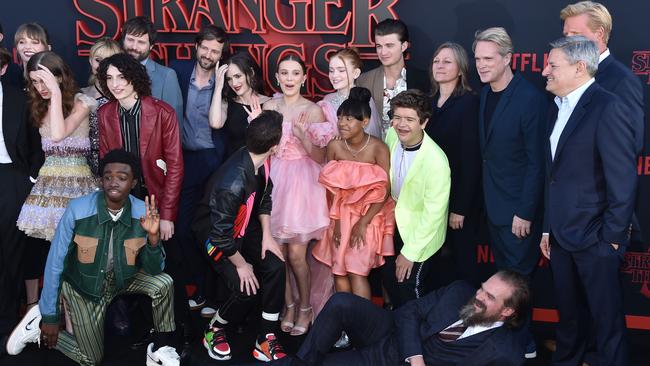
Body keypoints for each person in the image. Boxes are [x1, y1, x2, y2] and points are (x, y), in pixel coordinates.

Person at [6, 149, 180, 366]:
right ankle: (36, 330)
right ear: (101, 180)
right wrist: (50, 316)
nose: (113, 182)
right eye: (108, 177)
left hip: (122, 279)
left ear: (134, 182)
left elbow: (155, 269)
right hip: (83, 287)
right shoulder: (78, 209)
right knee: (91, 359)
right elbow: (54, 263)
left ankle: (160, 349)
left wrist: (154, 239)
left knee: (164, 283)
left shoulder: (142, 213)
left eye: (122, 178)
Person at [539, 36, 637, 366]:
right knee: (568, 323)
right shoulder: (556, 108)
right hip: (562, 238)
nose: (544, 72)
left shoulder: (608, 106)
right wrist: (547, 228)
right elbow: (554, 177)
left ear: (579, 67)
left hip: (596, 239)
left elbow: (622, 182)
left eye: (552, 66)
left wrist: (610, 240)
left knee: (607, 326)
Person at [96, 53, 186, 346]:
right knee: (134, 267)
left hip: (157, 199)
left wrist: (168, 214)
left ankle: (176, 335)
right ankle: (145, 329)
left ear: (135, 77)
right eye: (109, 78)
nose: (115, 84)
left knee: (168, 269)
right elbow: (109, 165)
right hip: (126, 201)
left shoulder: (162, 112)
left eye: (121, 77)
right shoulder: (106, 113)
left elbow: (174, 166)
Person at [273, 270, 528, 366]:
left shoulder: (504, 354)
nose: (479, 296)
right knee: (342, 302)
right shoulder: (460, 290)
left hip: (376, 360)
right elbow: (409, 313)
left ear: (507, 312)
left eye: (489, 297)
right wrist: (414, 357)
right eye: (482, 288)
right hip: (390, 339)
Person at [473, 27, 546, 358]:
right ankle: (509, 343)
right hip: (493, 204)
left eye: (488, 59)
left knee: (517, 284)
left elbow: (536, 163)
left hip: (517, 211)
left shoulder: (530, 99)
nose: (481, 65)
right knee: (503, 282)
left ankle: (523, 345)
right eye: (477, 59)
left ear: (508, 58)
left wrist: (525, 211)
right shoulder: (486, 93)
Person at [200, 110, 287, 362]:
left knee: (276, 266)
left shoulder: (261, 160)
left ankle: (266, 338)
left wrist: (267, 236)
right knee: (245, 288)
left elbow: (264, 198)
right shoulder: (233, 181)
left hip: (243, 228)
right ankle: (213, 328)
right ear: (274, 146)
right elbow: (220, 236)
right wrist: (242, 265)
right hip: (216, 237)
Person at [262, 54, 334, 336]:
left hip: (302, 185)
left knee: (296, 254)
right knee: (277, 254)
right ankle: (288, 304)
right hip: (274, 180)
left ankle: (306, 306)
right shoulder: (268, 106)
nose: (289, 78)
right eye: (284, 73)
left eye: (295, 73)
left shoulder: (314, 110)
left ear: (304, 78)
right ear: (277, 77)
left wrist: (304, 136)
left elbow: (320, 157)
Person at [313, 86, 394, 301]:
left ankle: (363, 329)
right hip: (340, 215)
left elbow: (385, 190)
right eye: (340, 118)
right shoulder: (335, 147)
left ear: (365, 121)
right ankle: (347, 329)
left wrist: (363, 222)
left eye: (349, 119)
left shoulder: (378, 148)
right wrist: (337, 221)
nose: (342, 123)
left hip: (370, 216)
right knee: (339, 270)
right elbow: (331, 190)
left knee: (357, 272)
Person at [175, 24, 229, 313]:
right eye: (205, 48)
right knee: (184, 230)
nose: (209, 54)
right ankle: (198, 283)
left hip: (212, 161)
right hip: (183, 160)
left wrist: (220, 85)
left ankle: (211, 292)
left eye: (215, 51)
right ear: (196, 47)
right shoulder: (177, 72)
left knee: (210, 231)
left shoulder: (224, 80)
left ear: (221, 54)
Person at [381, 89, 450, 309]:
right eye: (397, 117)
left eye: (409, 119)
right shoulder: (392, 136)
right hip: (393, 225)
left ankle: (419, 338)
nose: (401, 124)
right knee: (392, 283)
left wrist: (409, 253)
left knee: (409, 287)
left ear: (424, 122)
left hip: (421, 233)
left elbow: (433, 215)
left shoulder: (436, 161)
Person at [424, 42, 482, 287]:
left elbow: (471, 159)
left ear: (461, 69)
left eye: (447, 61)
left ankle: (463, 318)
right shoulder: (426, 101)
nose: (440, 65)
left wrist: (460, 208)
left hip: (456, 199)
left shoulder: (469, 102)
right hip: (429, 199)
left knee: (460, 264)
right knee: (433, 265)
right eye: (437, 61)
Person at [0, 46, 43, 356]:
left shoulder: (19, 100)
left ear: (2, 69)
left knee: (10, 255)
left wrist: (27, 179)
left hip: (11, 178)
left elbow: (37, 146)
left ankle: (4, 325)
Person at [560, 1, 644, 153]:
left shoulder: (622, 80)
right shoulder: (565, 74)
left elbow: (631, 141)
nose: (568, 41)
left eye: (575, 34)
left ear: (599, 33)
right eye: (566, 34)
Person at [357, 19, 430, 140]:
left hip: (412, 153)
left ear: (404, 46)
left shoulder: (423, 80)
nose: (383, 52)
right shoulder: (364, 81)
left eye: (389, 46)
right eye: (379, 46)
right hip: (374, 154)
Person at [208, 51, 271, 159]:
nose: (234, 83)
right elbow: (215, 123)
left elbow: (271, 143)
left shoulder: (269, 103)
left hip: (259, 168)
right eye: (229, 79)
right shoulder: (227, 102)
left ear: (250, 73)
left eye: (238, 76)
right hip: (233, 167)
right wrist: (218, 86)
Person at [121, 16, 183, 121]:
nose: (134, 47)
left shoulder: (167, 76)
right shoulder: (113, 71)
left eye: (141, 42)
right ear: (123, 40)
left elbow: (174, 120)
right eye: (130, 40)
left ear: (151, 46)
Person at [80, 37, 122, 176]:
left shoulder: (124, 97)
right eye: (98, 60)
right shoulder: (78, 95)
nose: (102, 66)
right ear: (90, 60)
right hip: (83, 166)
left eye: (109, 61)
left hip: (116, 165)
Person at [319, 48, 382, 138]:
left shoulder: (363, 99)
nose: (334, 75)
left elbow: (370, 138)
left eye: (341, 70)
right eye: (331, 71)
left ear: (356, 73)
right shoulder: (327, 99)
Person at [9, 23, 51, 88]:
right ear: (16, 48)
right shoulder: (10, 81)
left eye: (34, 42)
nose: (27, 47)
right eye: (22, 42)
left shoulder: (54, 79)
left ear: (47, 48)